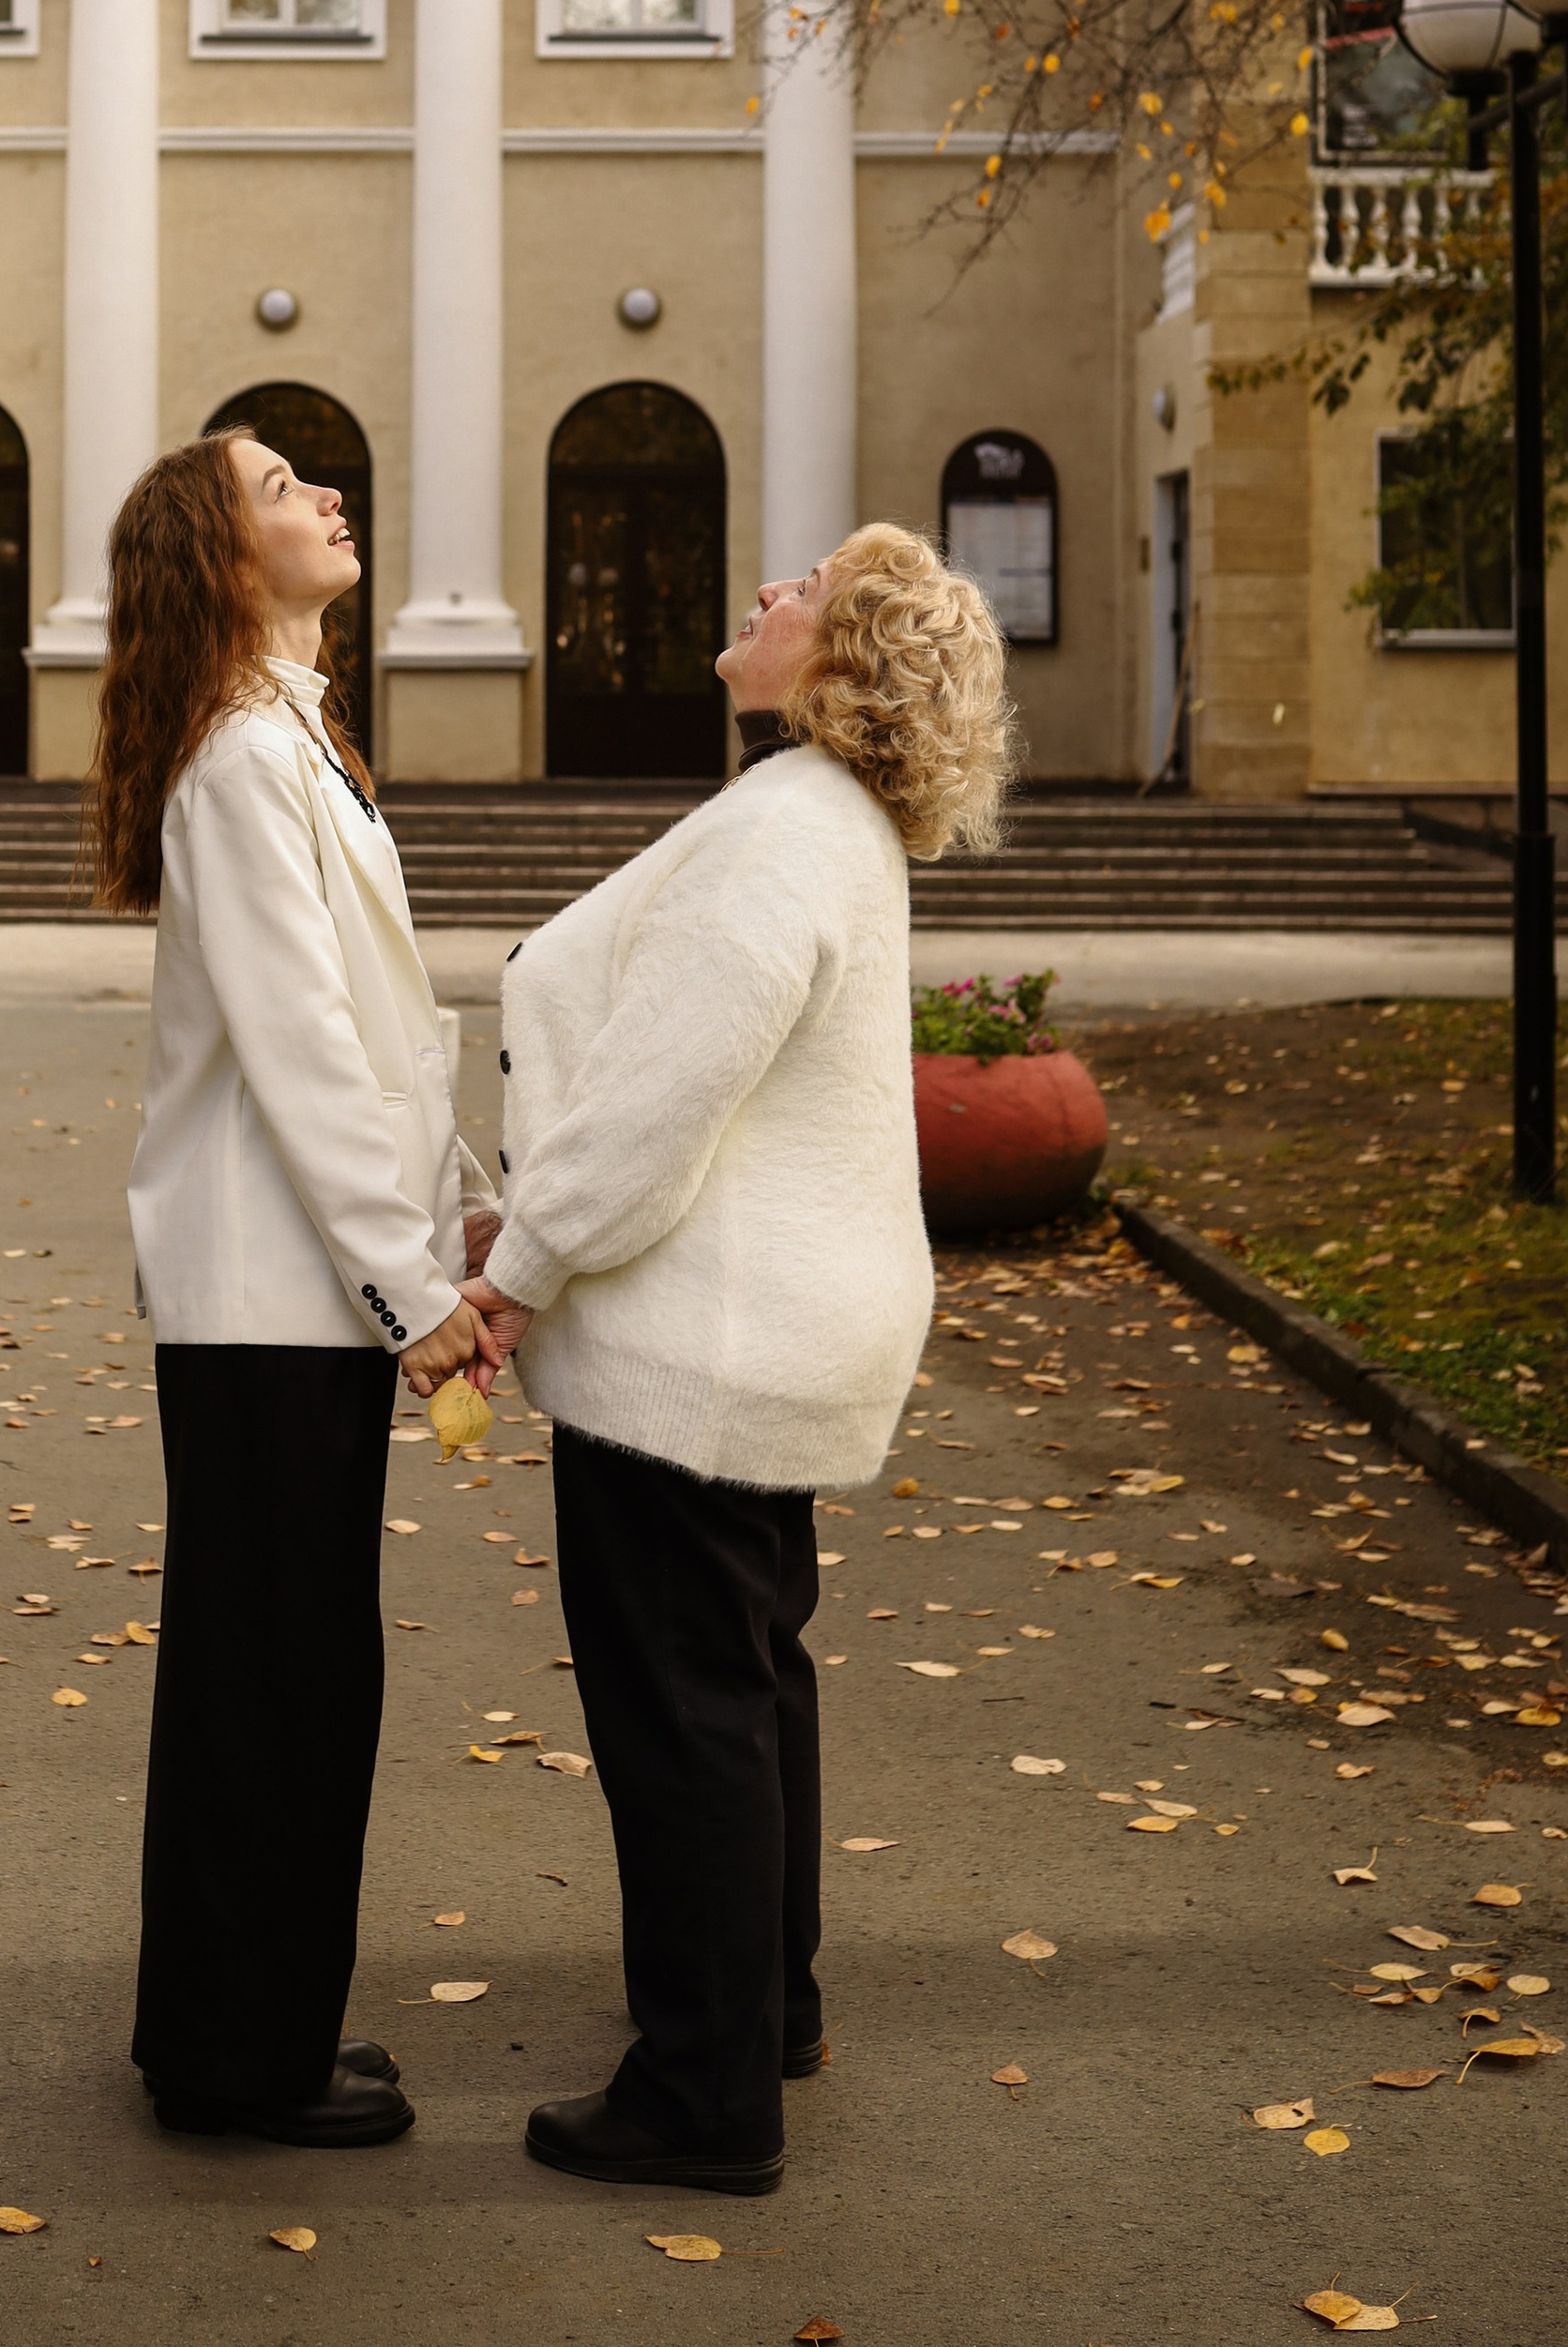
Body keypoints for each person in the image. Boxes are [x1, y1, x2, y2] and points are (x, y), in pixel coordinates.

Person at [460, 525, 1013, 2198]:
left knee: (684, 1710)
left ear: (839, 660)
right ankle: (764, 2012)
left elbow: (655, 1099)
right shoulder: (818, 823)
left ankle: (702, 2098)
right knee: (751, 1685)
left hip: (697, 1348)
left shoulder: (782, 831)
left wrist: (517, 1271)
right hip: (768, 1340)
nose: (767, 592)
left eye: (805, 589)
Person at [94, 429, 495, 2151]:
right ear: (222, 557)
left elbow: (384, 1035)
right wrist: (418, 1296)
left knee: (288, 1673)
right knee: (281, 1686)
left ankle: (245, 2026)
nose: (329, 496)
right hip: (276, 1293)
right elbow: (304, 1054)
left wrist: (461, 1207)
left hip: (301, 1290)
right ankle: (236, 2062)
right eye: (282, 489)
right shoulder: (248, 761)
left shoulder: (290, 741)